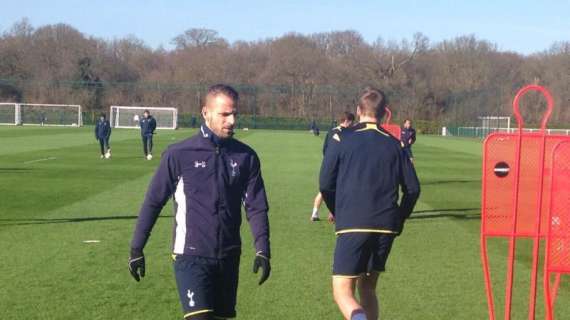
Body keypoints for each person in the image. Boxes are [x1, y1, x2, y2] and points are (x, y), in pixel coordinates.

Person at [128, 84, 271, 320]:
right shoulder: (179, 154)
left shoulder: (246, 157)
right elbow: (153, 202)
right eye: (225, 114)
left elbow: (256, 207)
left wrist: (263, 249)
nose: (232, 120)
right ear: (206, 113)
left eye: (235, 113)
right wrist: (136, 248)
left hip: (229, 256)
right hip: (190, 256)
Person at [319, 87, 420, 320]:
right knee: (368, 289)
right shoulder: (396, 145)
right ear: (385, 113)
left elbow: (325, 183)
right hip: (386, 226)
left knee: (342, 292)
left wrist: (338, 210)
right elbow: (413, 189)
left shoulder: (341, 138)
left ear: (358, 110)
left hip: (353, 223)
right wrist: (400, 218)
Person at [311, 111, 355, 222]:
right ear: (346, 121)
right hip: (340, 167)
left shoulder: (331, 132)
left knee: (323, 190)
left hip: (328, 166)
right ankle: (334, 213)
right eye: (352, 123)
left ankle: (315, 213)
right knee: (337, 190)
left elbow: (325, 149)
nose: (353, 125)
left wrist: (329, 161)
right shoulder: (348, 133)